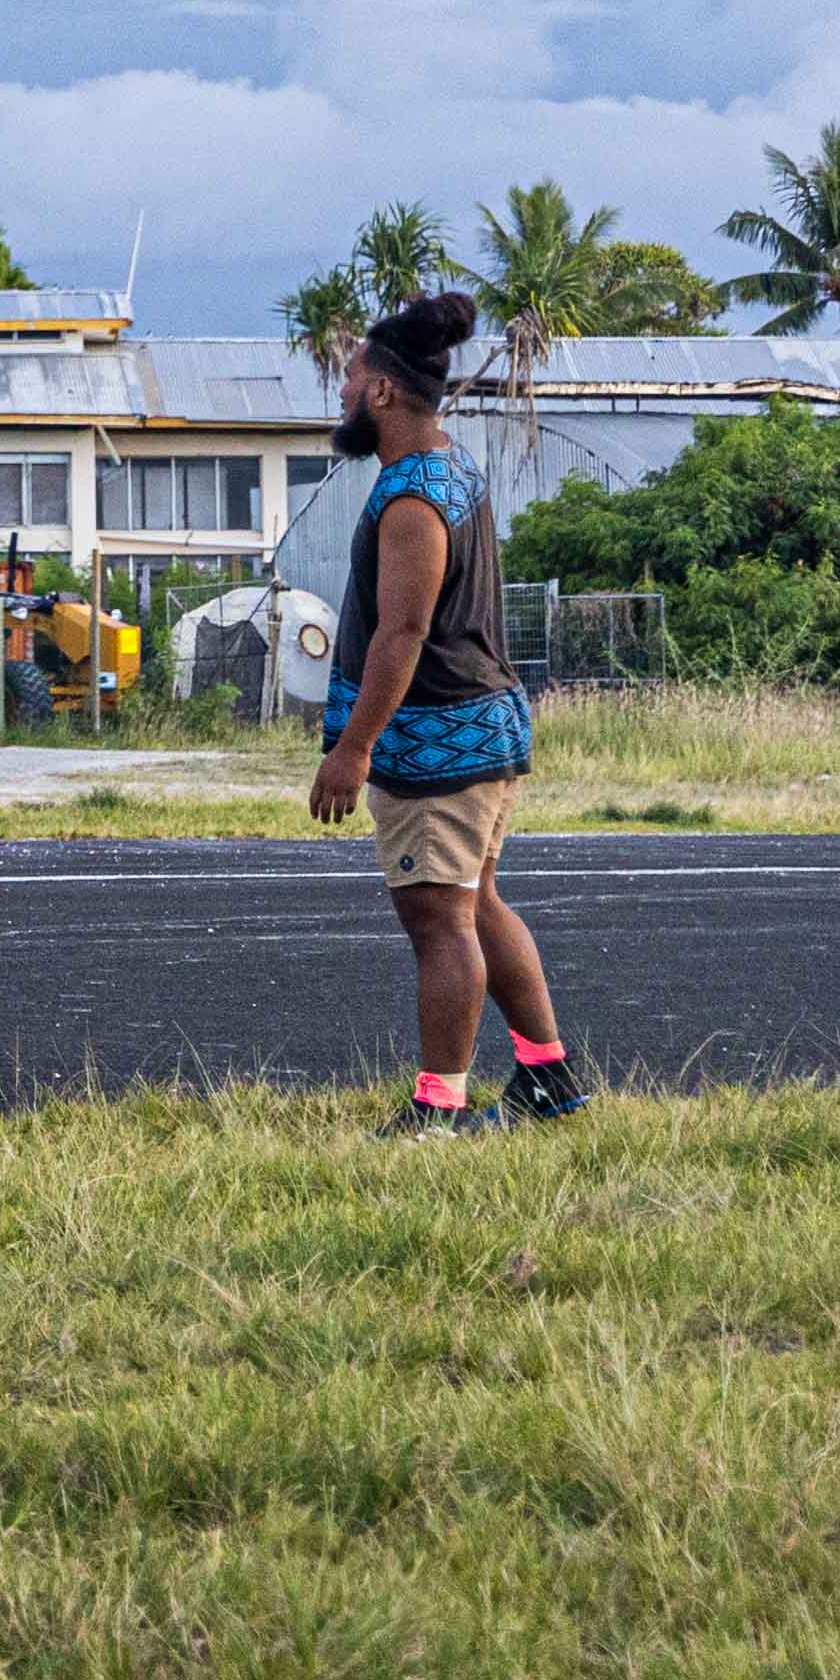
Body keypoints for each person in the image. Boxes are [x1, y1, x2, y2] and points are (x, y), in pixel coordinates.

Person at [314, 287, 580, 1134]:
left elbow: (400, 634)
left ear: (384, 391)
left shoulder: (411, 499)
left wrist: (351, 751)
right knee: (476, 904)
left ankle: (440, 1108)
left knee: (437, 922)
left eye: (351, 378)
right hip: (481, 725)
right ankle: (547, 1078)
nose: (344, 392)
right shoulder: (448, 465)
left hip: (437, 741)